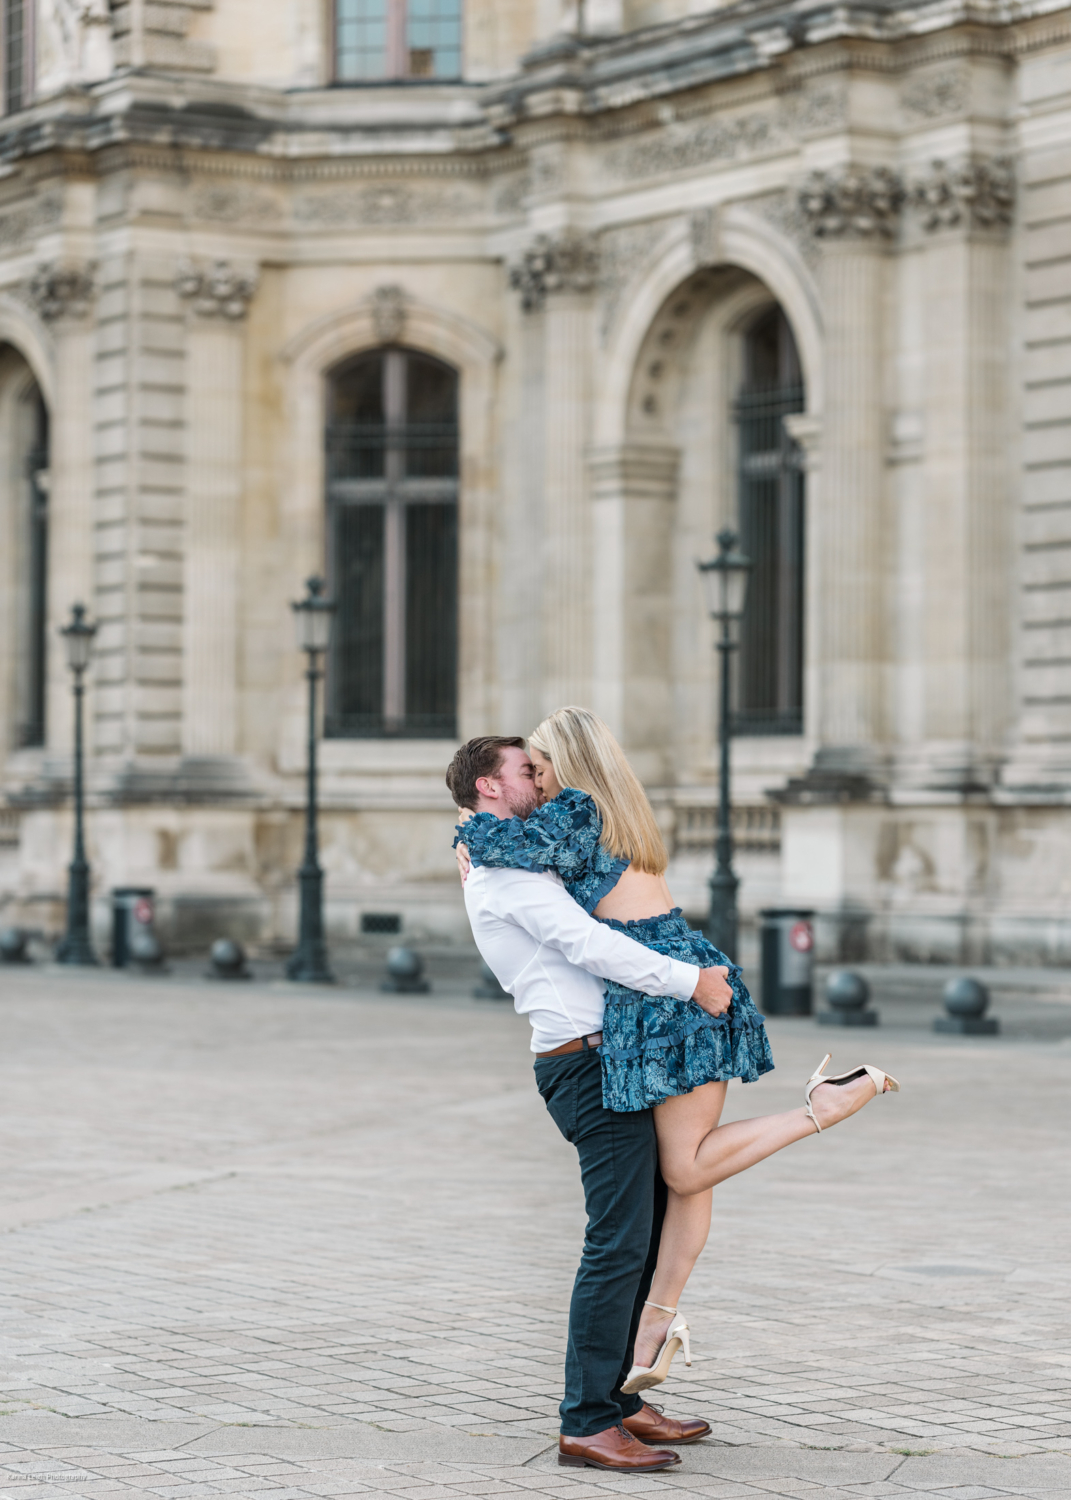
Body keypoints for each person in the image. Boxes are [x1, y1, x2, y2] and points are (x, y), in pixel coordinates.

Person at [456, 707, 899, 1400]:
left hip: (668, 999)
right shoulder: (613, 815)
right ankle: (649, 1338)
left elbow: (523, 873)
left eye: (540, 769)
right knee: (685, 1177)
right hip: (675, 988)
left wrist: (471, 842)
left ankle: (819, 1109)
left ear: (567, 769)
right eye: (529, 773)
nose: (537, 786)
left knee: (684, 1169)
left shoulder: (573, 818)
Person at [445, 734, 732, 1474]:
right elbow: (587, 944)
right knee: (615, 1243)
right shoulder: (507, 877)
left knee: (643, 1229)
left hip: (609, 1059)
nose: (536, 783)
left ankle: (619, 1403)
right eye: (522, 772)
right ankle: (585, 1420)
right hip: (582, 1066)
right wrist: (688, 981)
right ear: (486, 787)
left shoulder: (509, 856)